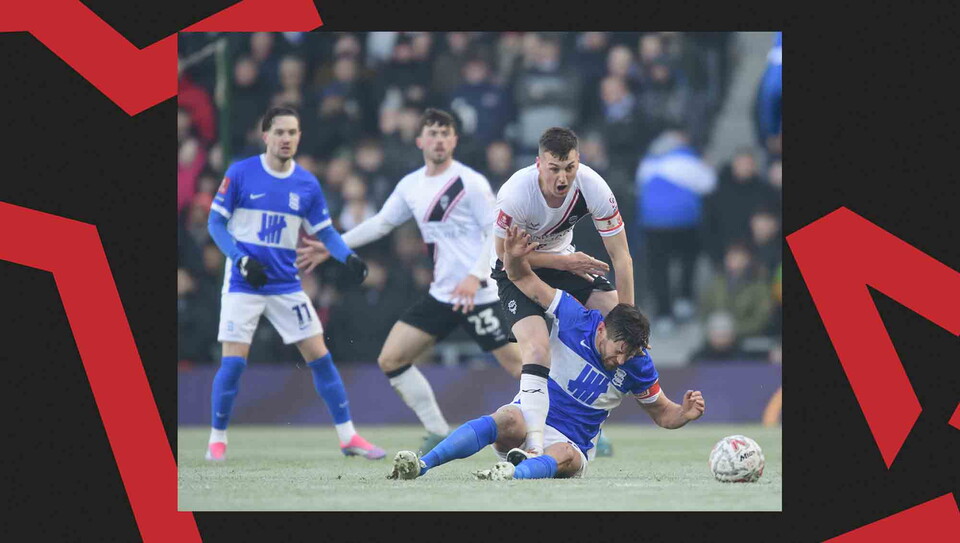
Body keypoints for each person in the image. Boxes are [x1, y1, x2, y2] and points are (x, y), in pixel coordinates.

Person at [388, 226, 705, 480]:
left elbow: (663, 412)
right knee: (507, 417)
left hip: (571, 446)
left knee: (564, 453)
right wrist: (512, 258)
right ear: (601, 330)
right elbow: (524, 280)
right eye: (619, 351)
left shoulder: (638, 363)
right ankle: (422, 465)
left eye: (629, 355)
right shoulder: (572, 316)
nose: (621, 361)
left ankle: (513, 474)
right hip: (529, 421)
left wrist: (684, 413)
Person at [295, 108, 523, 455]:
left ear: (454, 141)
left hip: (480, 294)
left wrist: (475, 277)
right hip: (443, 295)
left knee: (524, 366)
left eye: (446, 133)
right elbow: (381, 223)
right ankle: (437, 430)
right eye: (433, 133)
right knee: (391, 359)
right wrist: (333, 246)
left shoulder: (470, 183)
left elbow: (495, 233)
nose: (439, 139)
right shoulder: (412, 185)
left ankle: (580, 427)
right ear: (420, 140)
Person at [204, 106, 385, 461]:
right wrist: (240, 259)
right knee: (234, 362)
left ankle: (348, 437)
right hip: (244, 282)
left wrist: (347, 256)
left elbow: (326, 232)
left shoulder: (306, 183)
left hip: (286, 283)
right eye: (280, 132)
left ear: (299, 137)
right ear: (266, 135)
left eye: (293, 132)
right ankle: (217, 439)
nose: (287, 139)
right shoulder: (241, 173)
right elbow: (215, 224)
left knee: (321, 357)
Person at [491, 127, 635, 457]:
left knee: (614, 313)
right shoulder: (516, 194)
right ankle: (534, 441)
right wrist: (566, 263)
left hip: (563, 261)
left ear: (578, 161)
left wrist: (628, 321)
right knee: (538, 349)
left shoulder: (593, 186)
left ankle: (585, 422)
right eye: (554, 168)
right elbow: (505, 256)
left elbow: (622, 257)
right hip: (514, 270)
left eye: (569, 167)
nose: (562, 177)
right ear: (539, 164)